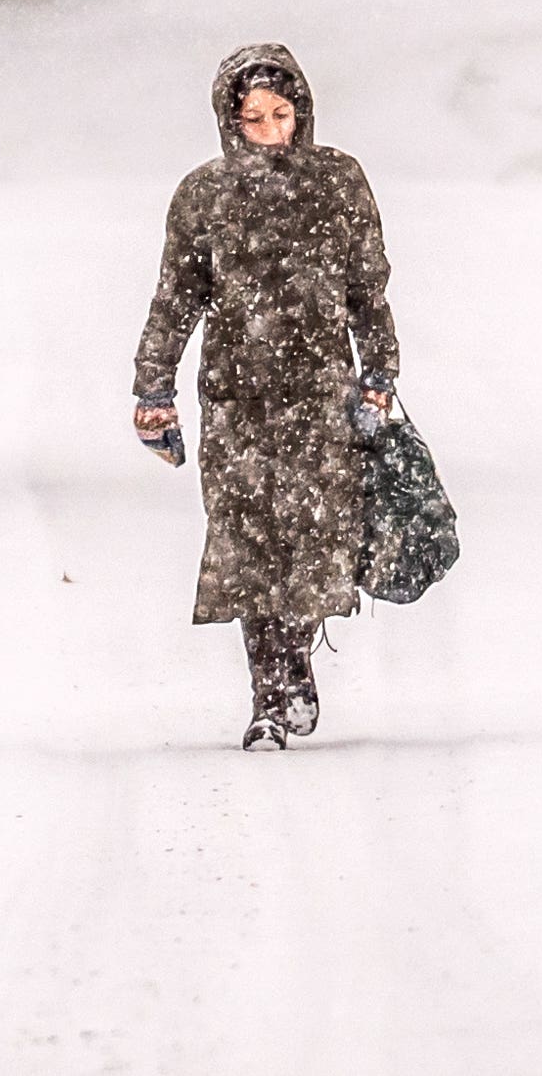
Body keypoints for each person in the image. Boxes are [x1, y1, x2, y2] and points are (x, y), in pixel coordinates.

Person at [131, 40, 398, 750]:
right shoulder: (204, 196)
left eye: (281, 113)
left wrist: (379, 373)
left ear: (302, 113)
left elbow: (367, 289)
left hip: (319, 394)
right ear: (230, 119)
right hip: (236, 397)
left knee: (313, 538)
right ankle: (268, 696)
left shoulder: (339, 183)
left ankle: (298, 661)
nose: (269, 128)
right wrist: (153, 388)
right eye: (253, 117)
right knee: (248, 544)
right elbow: (175, 299)